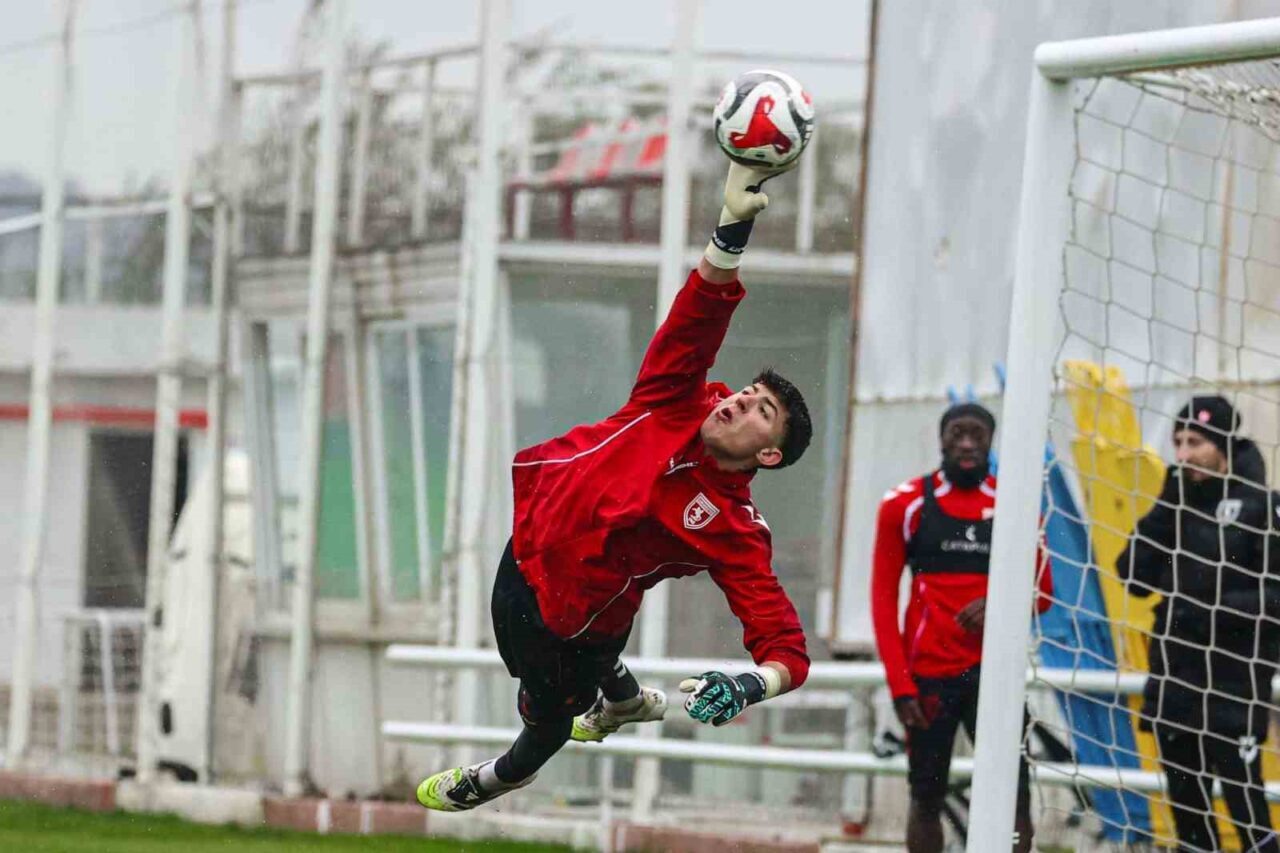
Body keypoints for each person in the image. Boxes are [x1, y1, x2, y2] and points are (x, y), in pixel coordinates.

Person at [415, 157, 815, 812]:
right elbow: (700, 314)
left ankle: (492, 780)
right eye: (746, 392)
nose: (740, 401)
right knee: (582, 665)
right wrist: (732, 224)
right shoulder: (674, 397)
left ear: (768, 455)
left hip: (569, 618)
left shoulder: (733, 526)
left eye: (760, 410)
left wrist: (749, 685)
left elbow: (788, 650)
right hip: (526, 549)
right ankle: (625, 701)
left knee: (547, 726)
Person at [870, 402, 1052, 853]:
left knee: (1016, 799)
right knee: (925, 798)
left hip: (996, 677)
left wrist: (999, 606)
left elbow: (1044, 592)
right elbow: (882, 599)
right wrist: (900, 685)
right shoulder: (904, 504)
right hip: (929, 676)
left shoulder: (1015, 503)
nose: (967, 444)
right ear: (942, 439)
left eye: (977, 435)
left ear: (991, 441)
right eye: (957, 434)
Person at [1117, 396, 1280, 852]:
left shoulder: (1263, 506)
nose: (1184, 454)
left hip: (1233, 681)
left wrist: (1210, 610)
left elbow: (1275, 598)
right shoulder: (1175, 503)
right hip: (1175, 678)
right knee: (1188, 814)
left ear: (1222, 444)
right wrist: (1164, 506)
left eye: (1195, 442)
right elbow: (1132, 577)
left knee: (1247, 810)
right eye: (1178, 443)